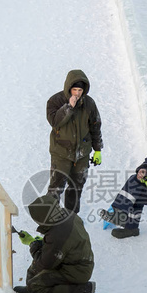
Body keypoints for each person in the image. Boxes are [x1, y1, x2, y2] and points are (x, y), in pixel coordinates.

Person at [13, 195, 96, 293]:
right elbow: (66, 243)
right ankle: (35, 286)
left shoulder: (58, 235)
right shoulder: (68, 214)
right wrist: (44, 242)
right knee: (34, 273)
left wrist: (33, 244)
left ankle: (81, 289)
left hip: (77, 271)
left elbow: (45, 264)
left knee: (35, 285)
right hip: (78, 263)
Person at [46, 69, 103, 213]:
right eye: (74, 89)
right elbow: (55, 122)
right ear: (68, 88)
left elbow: (95, 126)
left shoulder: (89, 103)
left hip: (82, 154)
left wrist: (97, 150)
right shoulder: (55, 101)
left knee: (76, 187)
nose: (77, 93)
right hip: (61, 153)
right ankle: (49, 219)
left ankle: (71, 218)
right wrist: (68, 107)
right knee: (56, 188)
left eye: (80, 90)